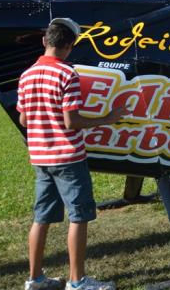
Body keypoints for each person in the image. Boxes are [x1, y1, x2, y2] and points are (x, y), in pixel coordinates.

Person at [18, 18, 130, 290]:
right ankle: (77, 282)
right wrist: (108, 118)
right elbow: (71, 122)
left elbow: (23, 119)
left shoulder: (26, 75)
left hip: (40, 158)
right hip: (68, 158)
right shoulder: (67, 75)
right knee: (78, 216)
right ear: (70, 45)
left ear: (46, 41)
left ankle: (34, 279)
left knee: (41, 217)